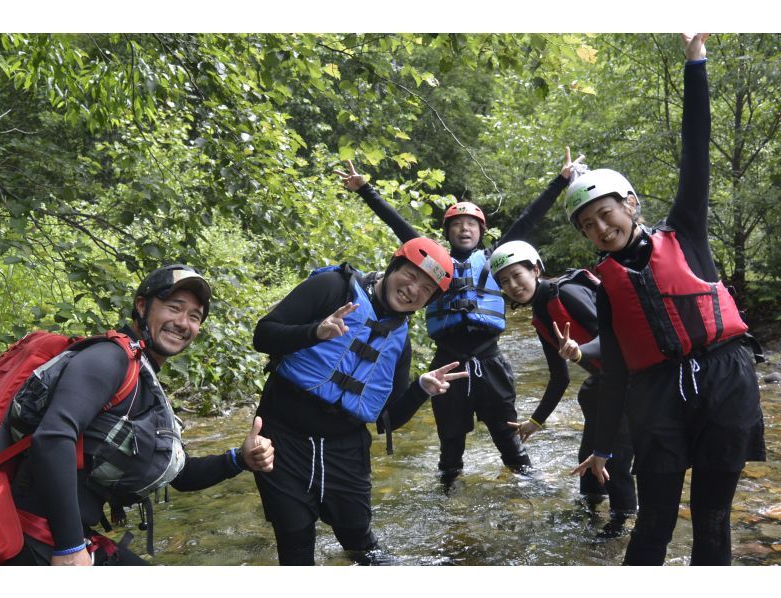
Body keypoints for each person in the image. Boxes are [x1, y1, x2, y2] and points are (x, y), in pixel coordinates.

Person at [570, 34, 766, 565]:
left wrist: (695, 63)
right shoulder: (607, 286)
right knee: (653, 520)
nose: (600, 228)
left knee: (712, 519)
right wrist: (602, 446)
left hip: (724, 379)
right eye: (588, 225)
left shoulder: (685, 233)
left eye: (606, 214)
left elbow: (695, 153)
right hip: (656, 395)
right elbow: (614, 373)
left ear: (630, 205)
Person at [0, 264, 274, 566]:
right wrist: (70, 548)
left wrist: (239, 460)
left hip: (57, 535)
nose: (183, 323)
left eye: (194, 316)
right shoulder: (109, 359)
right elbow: (52, 437)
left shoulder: (143, 377)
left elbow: (180, 475)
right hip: (28, 537)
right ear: (141, 306)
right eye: (174, 308)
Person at [336, 149, 583, 480]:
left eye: (471, 224)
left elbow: (528, 219)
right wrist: (365, 189)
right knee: (450, 450)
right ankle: (449, 501)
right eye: (457, 224)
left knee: (509, 441)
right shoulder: (433, 266)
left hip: (490, 360)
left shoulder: (495, 260)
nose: (464, 229)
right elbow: (399, 226)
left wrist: (560, 182)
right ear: (447, 232)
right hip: (447, 362)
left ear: (481, 231)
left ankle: (529, 489)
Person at [251, 238, 468, 565]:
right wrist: (314, 332)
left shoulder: (400, 343)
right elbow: (263, 335)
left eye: (426, 289)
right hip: (283, 436)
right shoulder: (332, 288)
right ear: (394, 266)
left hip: (345, 447)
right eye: (410, 276)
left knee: (360, 541)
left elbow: (387, 419)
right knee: (295, 539)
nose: (413, 290)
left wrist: (421, 389)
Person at [488, 240, 636, 537]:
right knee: (588, 459)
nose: (513, 285)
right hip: (604, 384)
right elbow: (560, 377)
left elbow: (616, 336)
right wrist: (536, 421)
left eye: (517, 275)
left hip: (633, 383)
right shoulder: (541, 314)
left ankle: (621, 527)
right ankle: (590, 512)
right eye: (504, 281)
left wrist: (581, 350)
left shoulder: (566, 293)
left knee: (614, 462)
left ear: (535, 269)